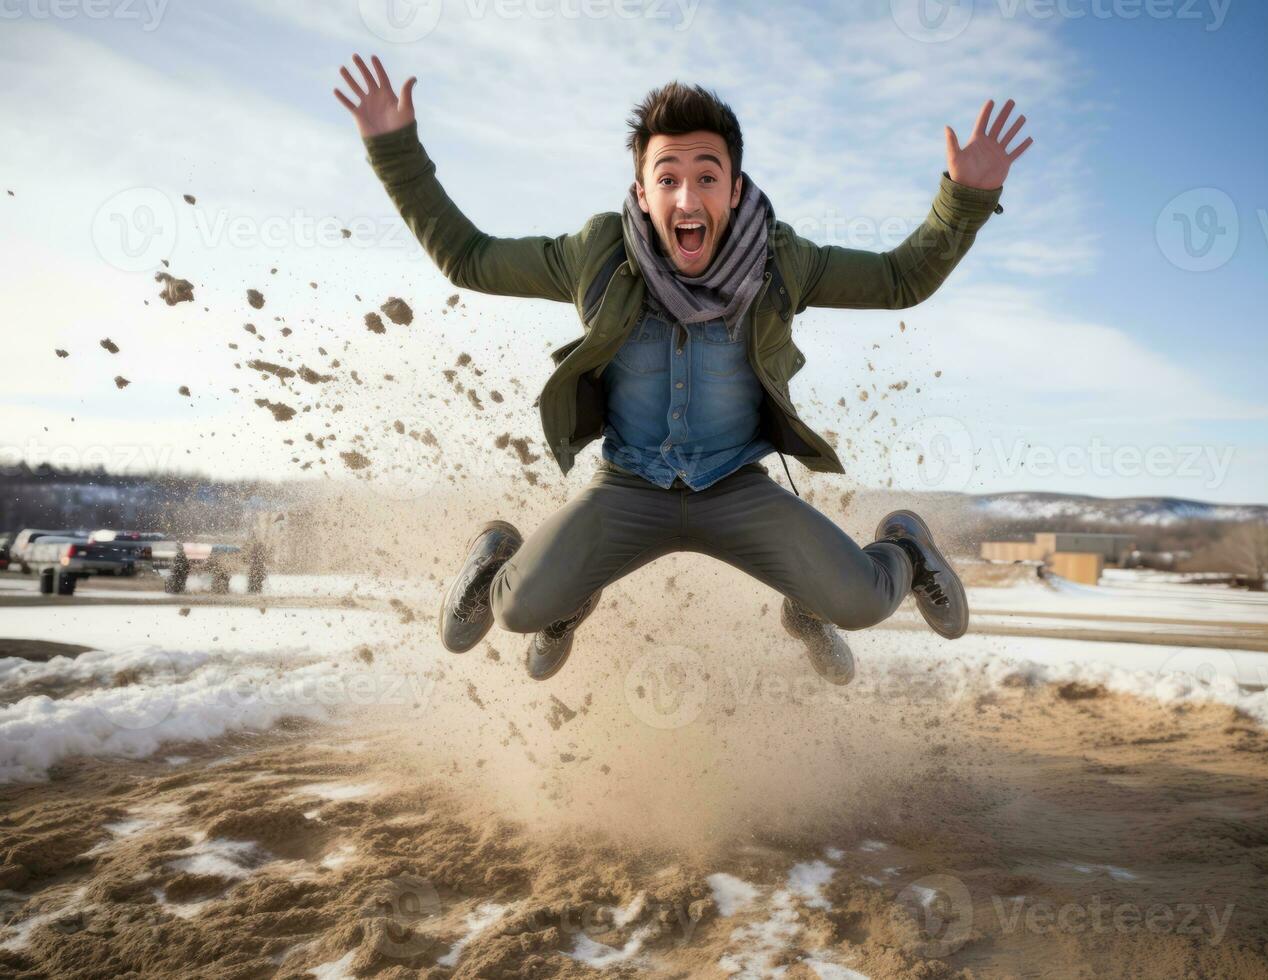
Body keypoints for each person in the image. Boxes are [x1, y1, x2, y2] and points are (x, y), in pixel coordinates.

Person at [334, 54, 1032, 683]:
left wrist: (961, 200)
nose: (687, 199)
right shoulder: (596, 253)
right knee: (514, 611)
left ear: (733, 189)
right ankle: (512, 565)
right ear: (642, 192)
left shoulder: (781, 260)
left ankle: (901, 549)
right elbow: (469, 258)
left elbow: (896, 280)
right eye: (667, 178)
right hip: (627, 486)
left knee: (859, 601)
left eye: (706, 177)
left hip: (734, 488)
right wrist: (394, 152)